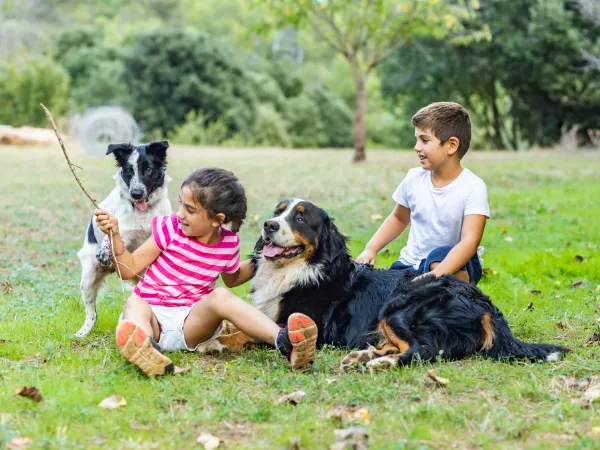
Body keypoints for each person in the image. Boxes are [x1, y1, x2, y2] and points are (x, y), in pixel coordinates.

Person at [94, 167, 317, 376]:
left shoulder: (228, 243)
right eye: (181, 205)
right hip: (152, 320)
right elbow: (129, 270)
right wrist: (114, 235)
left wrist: (270, 257)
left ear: (217, 220)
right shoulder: (169, 228)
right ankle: (145, 348)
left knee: (220, 295)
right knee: (135, 302)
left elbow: (232, 279)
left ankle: (284, 342)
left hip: (193, 324)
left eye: (190, 210)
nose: (180, 214)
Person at [357, 102, 490, 284]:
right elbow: (398, 218)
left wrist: (432, 276)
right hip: (412, 265)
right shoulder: (413, 179)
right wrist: (371, 248)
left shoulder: (473, 187)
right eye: (416, 140)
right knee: (382, 289)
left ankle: (457, 285)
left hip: (456, 263)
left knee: (437, 257)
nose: (416, 147)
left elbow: (470, 242)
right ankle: (428, 287)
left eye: (424, 140)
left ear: (451, 145)